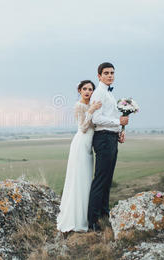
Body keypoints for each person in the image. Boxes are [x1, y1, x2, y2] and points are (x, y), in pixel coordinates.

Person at [56, 80, 102, 232]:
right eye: (85, 89)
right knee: (79, 179)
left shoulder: (92, 105)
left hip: (89, 146)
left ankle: (86, 216)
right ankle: (76, 219)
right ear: (79, 90)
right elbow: (82, 128)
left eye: (90, 89)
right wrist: (91, 111)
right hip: (81, 144)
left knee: (87, 180)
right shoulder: (79, 106)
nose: (88, 92)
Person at [87, 62, 128, 232]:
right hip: (103, 139)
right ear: (99, 76)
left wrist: (119, 130)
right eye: (106, 73)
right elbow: (96, 119)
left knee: (107, 180)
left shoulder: (109, 94)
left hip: (111, 137)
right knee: (100, 180)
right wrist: (117, 122)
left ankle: (104, 215)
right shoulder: (98, 93)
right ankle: (92, 222)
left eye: (112, 72)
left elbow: (110, 117)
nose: (110, 75)